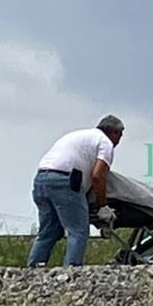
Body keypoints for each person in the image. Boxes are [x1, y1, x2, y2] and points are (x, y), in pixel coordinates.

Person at [26, 114, 124, 267]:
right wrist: (103, 206)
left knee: (49, 231)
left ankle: (33, 270)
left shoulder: (79, 136)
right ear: (114, 133)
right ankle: (71, 271)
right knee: (78, 231)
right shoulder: (105, 143)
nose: (119, 141)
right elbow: (98, 176)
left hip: (41, 179)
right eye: (120, 135)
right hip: (65, 181)